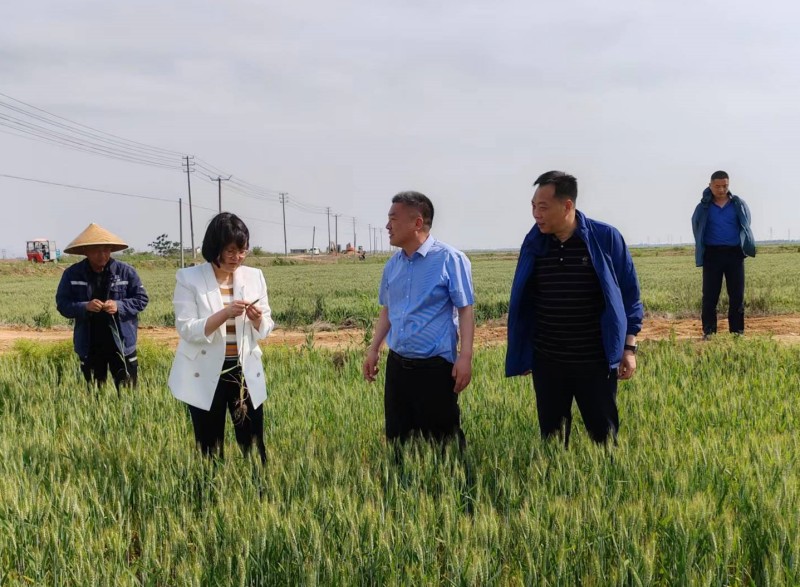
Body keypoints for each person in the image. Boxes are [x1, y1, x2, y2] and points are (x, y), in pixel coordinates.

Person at [506, 171, 643, 447]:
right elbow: (525, 300)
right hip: (548, 360)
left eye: (543, 207)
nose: (536, 214)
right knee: (553, 440)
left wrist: (629, 349)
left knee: (604, 438)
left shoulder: (605, 238)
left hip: (594, 361)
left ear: (567, 205)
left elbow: (630, 296)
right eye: (533, 206)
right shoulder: (534, 243)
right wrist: (524, 351)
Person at [362, 191, 475, 452]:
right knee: (398, 443)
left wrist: (465, 356)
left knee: (444, 445)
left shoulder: (450, 259)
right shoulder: (392, 265)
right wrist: (374, 348)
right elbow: (387, 310)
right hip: (398, 366)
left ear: (417, 222)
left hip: (435, 369)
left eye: (393, 219)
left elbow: (465, 310)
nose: (387, 226)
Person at [168, 212, 274, 462]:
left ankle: (257, 485)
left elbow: (267, 326)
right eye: (230, 251)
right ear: (214, 248)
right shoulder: (189, 278)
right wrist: (224, 314)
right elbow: (186, 328)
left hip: (243, 371)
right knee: (210, 448)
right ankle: (211, 486)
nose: (237, 257)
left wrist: (257, 319)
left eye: (242, 251)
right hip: (205, 371)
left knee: (253, 444)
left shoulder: (254, 276)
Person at [56, 223, 148, 389]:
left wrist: (119, 305)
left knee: (129, 391)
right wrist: (85, 306)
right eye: (96, 250)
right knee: (95, 393)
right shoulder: (72, 274)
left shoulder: (126, 272)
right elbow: (63, 304)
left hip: (122, 343)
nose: (102, 255)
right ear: (85, 251)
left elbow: (141, 299)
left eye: (106, 250)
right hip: (89, 343)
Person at [691, 170, 756, 338]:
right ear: (710, 185)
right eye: (717, 186)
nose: (721, 189)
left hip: (734, 254)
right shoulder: (703, 207)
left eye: (725, 186)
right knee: (710, 296)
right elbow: (696, 226)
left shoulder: (738, 204)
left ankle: (737, 333)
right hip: (712, 255)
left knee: (737, 296)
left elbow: (746, 222)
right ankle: (709, 333)